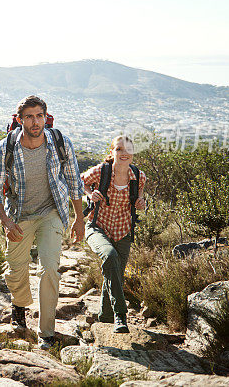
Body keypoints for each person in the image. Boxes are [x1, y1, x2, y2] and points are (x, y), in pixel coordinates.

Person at [0, 95, 84, 349]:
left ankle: (47, 333)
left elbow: (74, 182)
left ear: (46, 118)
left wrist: (79, 219)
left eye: (39, 115)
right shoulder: (6, 147)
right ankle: (19, 305)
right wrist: (6, 222)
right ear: (20, 121)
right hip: (19, 216)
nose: (35, 121)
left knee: (49, 269)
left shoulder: (60, 142)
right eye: (29, 116)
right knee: (16, 270)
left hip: (52, 212)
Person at [81, 135, 146, 333]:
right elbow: (77, 181)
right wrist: (89, 194)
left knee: (115, 272)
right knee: (109, 256)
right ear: (112, 152)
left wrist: (142, 203)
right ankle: (121, 314)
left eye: (127, 150)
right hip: (97, 226)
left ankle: (106, 318)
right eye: (119, 149)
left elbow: (141, 197)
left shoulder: (139, 176)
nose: (123, 153)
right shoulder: (102, 171)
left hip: (124, 231)